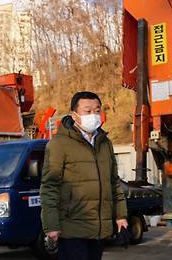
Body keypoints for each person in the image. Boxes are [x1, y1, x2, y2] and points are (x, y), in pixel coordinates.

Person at [40, 91, 128, 260]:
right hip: (72, 228)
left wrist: (120, 216)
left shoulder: (104, 143)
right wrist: (51, 225)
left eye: (97, 110)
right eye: (87, 111)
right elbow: (50, 186)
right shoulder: (59, 144)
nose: (93, 115)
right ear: (74, 115)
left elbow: (114, 183)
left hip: (99, 229)